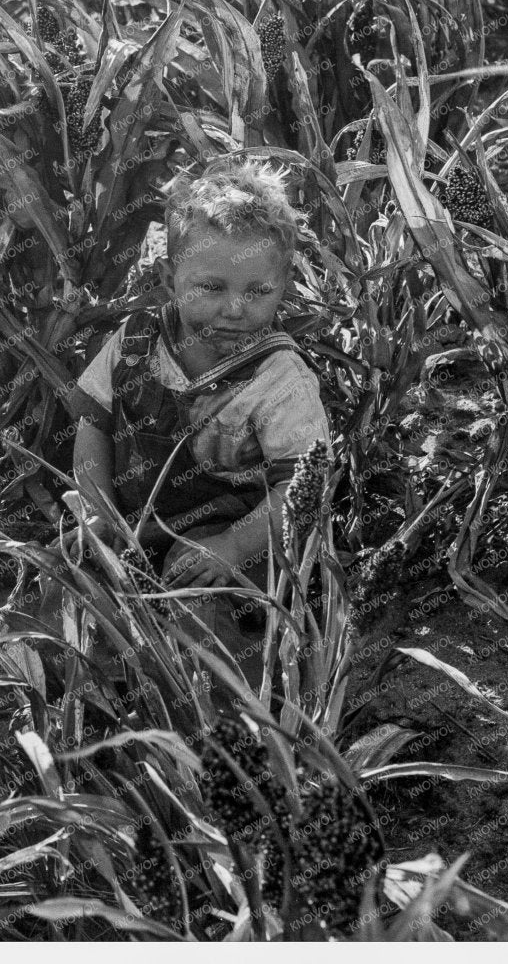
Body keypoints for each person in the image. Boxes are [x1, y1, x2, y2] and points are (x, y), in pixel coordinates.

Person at [62, 158, 331, 671]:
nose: (236, 309)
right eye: (212, 288)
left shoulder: (278, 378)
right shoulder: (135, 344)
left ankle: (227, 724)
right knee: (65, 580)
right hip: (135, 527)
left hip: (234, 541)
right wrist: (98, 515)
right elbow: (93, 424)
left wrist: (231, 548)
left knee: (196, 614)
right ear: (168, 278)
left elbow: (302, 485)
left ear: (285, 284)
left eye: (259, 292)